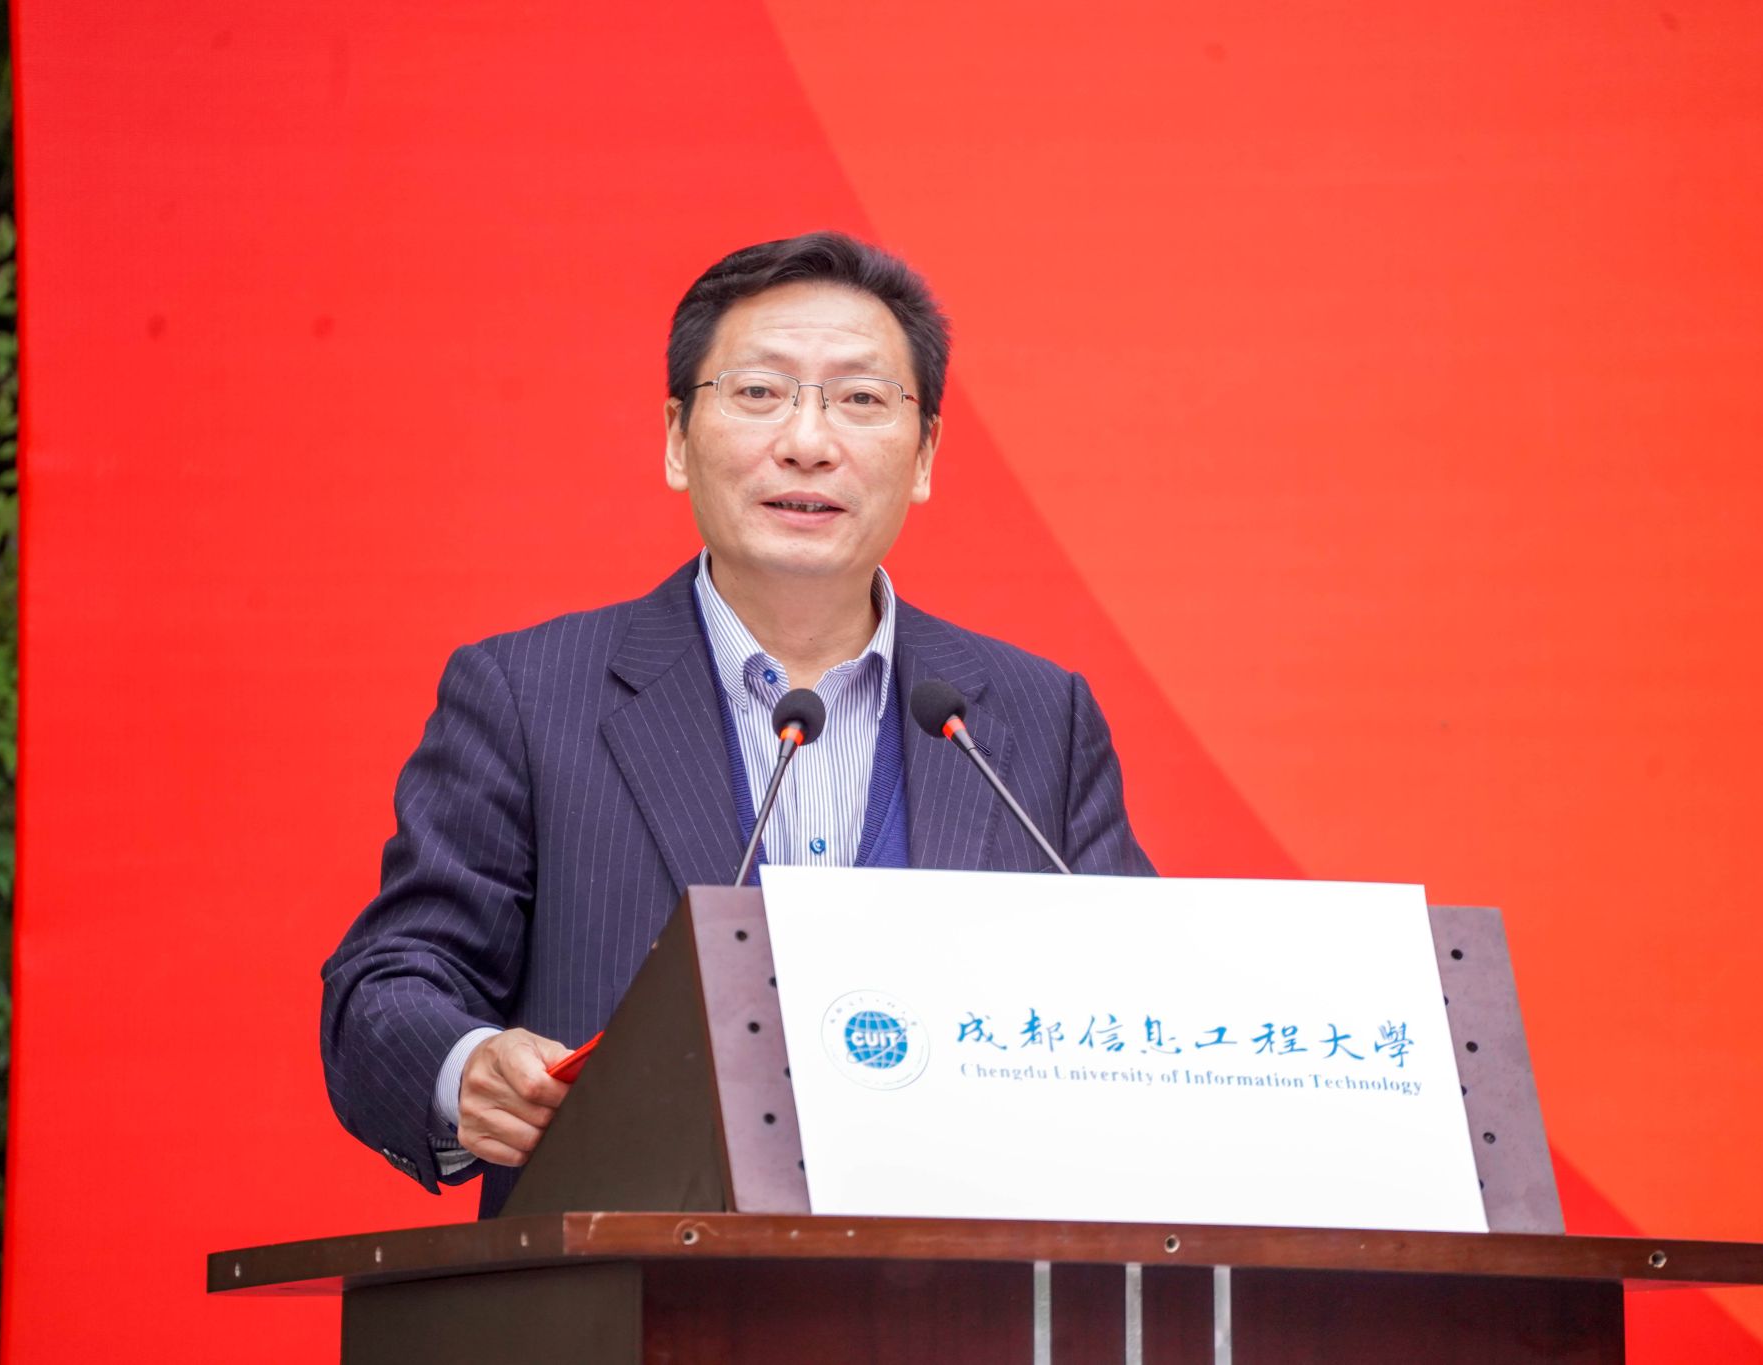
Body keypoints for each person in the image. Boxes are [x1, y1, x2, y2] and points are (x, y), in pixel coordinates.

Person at [321, 232, 1154, 1218]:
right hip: (631, 1277)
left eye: (860, 399)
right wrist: (464, 1065)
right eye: (759, 392)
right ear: (678, 438)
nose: (807, 441)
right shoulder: (527, 694)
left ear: (925, 454)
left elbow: (1139, 1006)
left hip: (964, 1280)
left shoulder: (1034, 718)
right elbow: (389, 981)